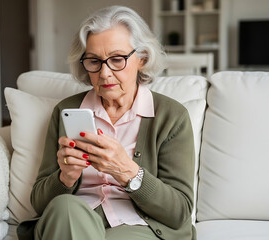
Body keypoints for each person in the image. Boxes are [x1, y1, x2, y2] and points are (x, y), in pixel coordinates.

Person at [17, 5, 196, 240]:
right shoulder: (67, 111)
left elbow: (179, 211)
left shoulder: (171, 117)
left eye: (117, 59)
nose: (104, 73)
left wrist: (128, 171)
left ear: (142, 58)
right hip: (75, 220)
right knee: (64, 208)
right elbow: (40, 203)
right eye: (94, 61)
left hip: (139, 224)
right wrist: (65, 177)